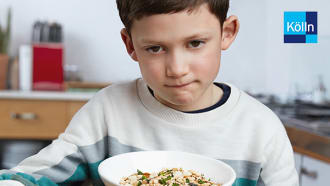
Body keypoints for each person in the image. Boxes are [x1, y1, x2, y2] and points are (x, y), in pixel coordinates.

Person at [0, 0, 299, 185]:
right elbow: (31, 175)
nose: (177, 68)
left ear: (227, 32)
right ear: (131, 45)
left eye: (195, 43)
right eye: (155, 48)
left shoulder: (262, 130)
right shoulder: (108, 112)